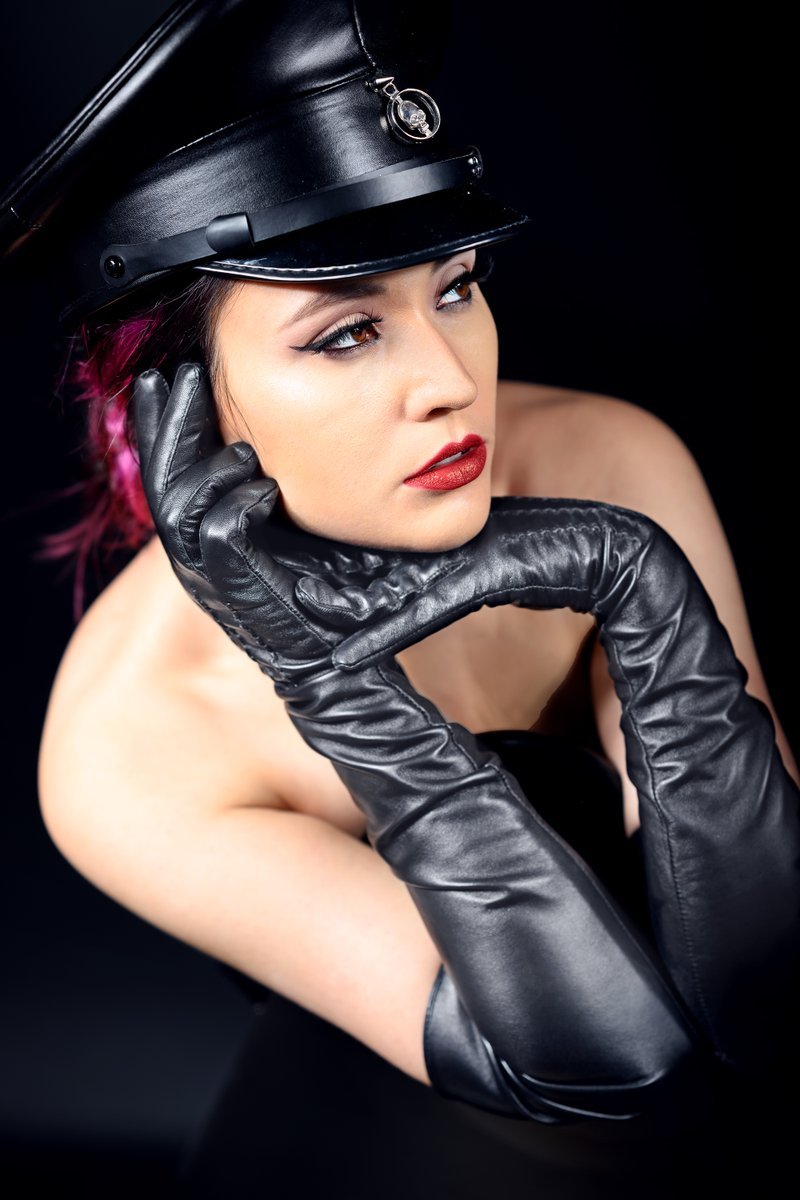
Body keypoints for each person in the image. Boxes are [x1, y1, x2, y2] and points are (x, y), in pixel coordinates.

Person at [3, 1, 798, 1195]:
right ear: (179, 407)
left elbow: (764, 994)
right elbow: (601, 1066)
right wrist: (330, 679)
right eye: (343, 335)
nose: (446, 380)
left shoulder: (608, 464)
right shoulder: (131, 733)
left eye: (455, 287)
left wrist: (636, 579)